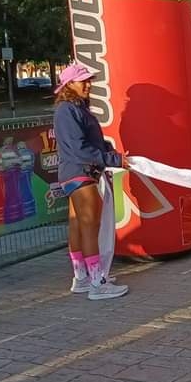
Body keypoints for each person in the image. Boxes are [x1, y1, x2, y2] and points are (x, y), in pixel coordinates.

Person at [52, 63, 129, 301]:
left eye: (89, 80)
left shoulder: (75, 108)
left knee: (77, 225)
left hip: (76, 172)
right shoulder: (68, 110)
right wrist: (112, 158)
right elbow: (79, 148)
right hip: (80, 172)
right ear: (68, 85)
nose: (88, 84)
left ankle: (82, 278)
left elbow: (89, 141)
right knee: (89, 227)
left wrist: (106, 150)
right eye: (83, 80)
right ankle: (98, 282)